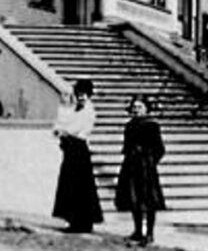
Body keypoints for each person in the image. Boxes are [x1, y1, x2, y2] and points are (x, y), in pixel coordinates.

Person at [52, 78, 104, 233]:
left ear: (89, 95)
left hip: (79, 149)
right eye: (79, 93)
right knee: (70, 185)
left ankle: (84, 221)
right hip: (70, 149)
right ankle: (73, 219)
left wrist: (64, 131)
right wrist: (61, 130)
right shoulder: (74, 108)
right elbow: (61, 124)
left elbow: (76, 129)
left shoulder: (89, 111)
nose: (81, 97)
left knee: (81, 187)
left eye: (84, 94)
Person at [115, 95, 166, 246]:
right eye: (134, 107)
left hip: (146, 168)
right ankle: (138, 231)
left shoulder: (152, 125)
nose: (136, 110)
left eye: (140, 107)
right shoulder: (129, 126)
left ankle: (149, 233)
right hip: (131, 166)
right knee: (134, 200)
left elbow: (160, 149)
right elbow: (126, 147)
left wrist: (149, 161)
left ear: (146, 109)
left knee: (149, 201)